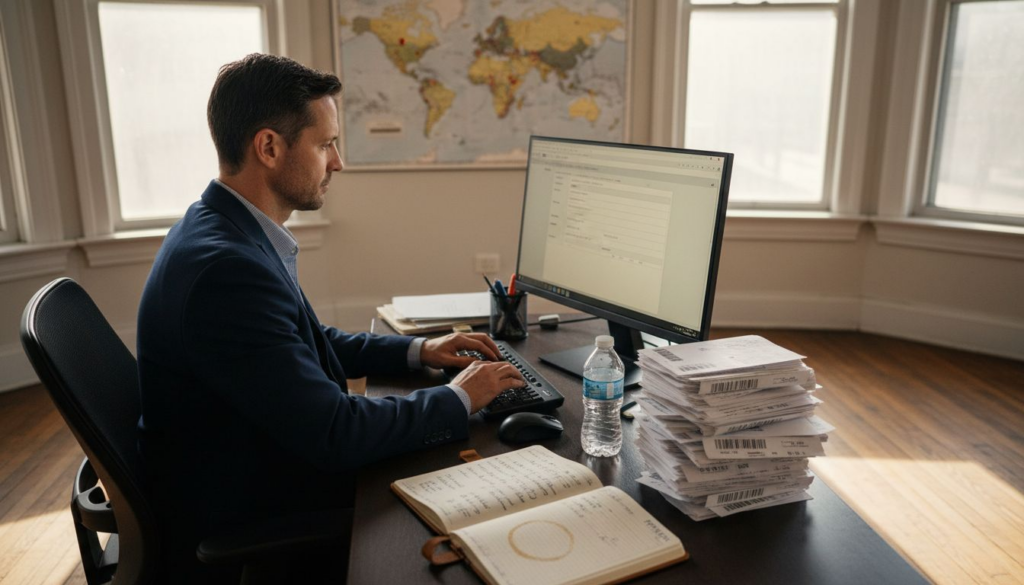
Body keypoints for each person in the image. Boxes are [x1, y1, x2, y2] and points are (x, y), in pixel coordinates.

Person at [136, 53, 525, 582]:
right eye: (325, 145)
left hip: (250, 454)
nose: (338, 162)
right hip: (254, 504)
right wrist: (461, 397)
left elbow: (305, 341)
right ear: (269, 147)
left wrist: (419, 350)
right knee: (482, 488)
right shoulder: (228, 270)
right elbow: (336, 433)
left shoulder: (222, 227)